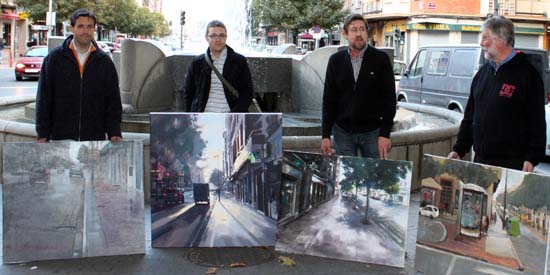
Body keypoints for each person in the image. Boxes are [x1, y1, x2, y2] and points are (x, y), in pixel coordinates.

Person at [448, 15, 546, 172]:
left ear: (501, 39)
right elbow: (470, 117)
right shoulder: (482, 74)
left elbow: (537, 122)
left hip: (512, 166)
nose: (481, 43)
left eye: (485, 38)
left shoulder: (527, 75)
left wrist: (532, 157)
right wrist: (459, 149)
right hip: (480, 162)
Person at [35, 9, 122, 142]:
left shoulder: (104, 61)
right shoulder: (55, 58)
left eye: (89, 27)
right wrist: (42, 133)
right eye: (80, 26)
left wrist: (114, 131)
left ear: (94, 29)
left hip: (94, 139)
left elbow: (113, 99)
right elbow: (44, 97)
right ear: (72, 28)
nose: (85, 31)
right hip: (61, 137)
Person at [321, 13, 396, 159]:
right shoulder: (335, 61)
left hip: (372, 132)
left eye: (362, 29)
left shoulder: (381, 60)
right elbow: (329, 99)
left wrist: (385, 134)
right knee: (345, 179)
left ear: (367, 32)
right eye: (354, 30)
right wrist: (325, 135)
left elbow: (390, 100)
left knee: (374, 177)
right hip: (342, 132)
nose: (359, 34)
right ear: (346, 33)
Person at [182, 20, 253, 112]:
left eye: (221, 35)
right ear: (207, 38)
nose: (218, 39)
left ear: (226, 37)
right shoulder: (197, 62)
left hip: (231, 118)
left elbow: (247, 92)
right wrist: (189, 118)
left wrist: (234, 116)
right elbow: (189, 92)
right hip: (203, 119)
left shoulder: (239, 61)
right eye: (213, 35)